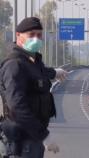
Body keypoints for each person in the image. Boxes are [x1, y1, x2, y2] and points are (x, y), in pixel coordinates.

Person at [0, 17, 67, 158]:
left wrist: (54, 72)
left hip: (32, 139)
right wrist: (44, 136)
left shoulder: (31, 62)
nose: (36, 39)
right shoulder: (14, 65)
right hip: (21, 140)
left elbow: (39, 72)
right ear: (18, 35)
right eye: (31, 35)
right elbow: (17, 107)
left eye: (39, 35)